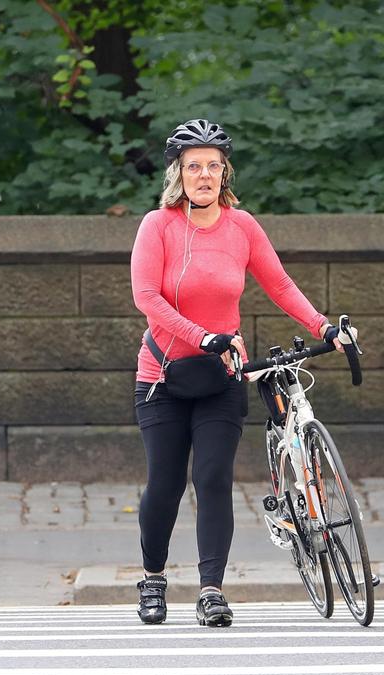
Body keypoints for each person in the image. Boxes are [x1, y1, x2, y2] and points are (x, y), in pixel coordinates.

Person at [129, 118, 343, 628]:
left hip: (223, 377)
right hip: (162, 377)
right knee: (165, 483)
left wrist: (325, 326)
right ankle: (154, 578)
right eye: (193, 166)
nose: (203, 174)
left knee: (213, 479)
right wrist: (200, 335)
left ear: (224, 173)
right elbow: (146, 297)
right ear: (177, 175)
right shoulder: (157, 226)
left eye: (212, 166)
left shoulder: (242, 227)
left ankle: (211, 590)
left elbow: (281, 285)